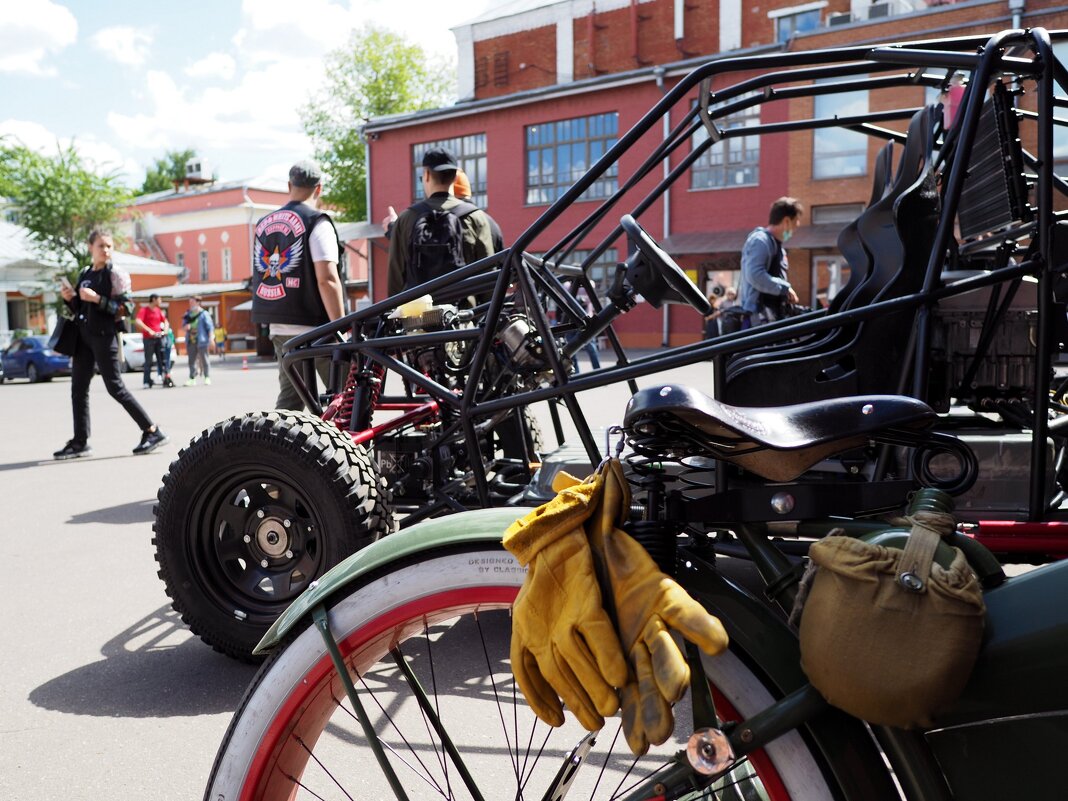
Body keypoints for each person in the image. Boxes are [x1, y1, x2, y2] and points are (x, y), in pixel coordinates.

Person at [53, 228, 168, 459]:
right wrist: (71, 299)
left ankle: (152, 431)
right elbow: (80, 309)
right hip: (83, 338)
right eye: (101, 246)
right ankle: (80, 442)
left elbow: (126, 309)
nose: (105, 250)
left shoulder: (116, 274)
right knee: (78, 389)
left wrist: (97, 298)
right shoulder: (85, 273)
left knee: (115, 387)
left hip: (104, 336)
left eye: (109, 246)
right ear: (90, 248)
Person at [251, 160, 347, 410]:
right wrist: (342, 328)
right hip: (317, 327)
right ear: (319, 188)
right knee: (345, 397)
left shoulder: (263, 223)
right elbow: (327, 279)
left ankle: (278, 447)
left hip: (279, 324)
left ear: (289, 185)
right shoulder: (317, 222)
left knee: (291, 398)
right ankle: (347, 448)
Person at [386, 147, 495, 297]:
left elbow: (395, 276)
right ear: (456, 176)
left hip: (417, 317)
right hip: (463, 316)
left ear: (426, 174)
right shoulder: (475, 217)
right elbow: (488, 276)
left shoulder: (406, 219)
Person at [738, 197, 803, 327]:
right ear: (786, 221)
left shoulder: (776, 246)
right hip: (758, 319)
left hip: (771, 317)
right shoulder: (760, 241)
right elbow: (755, 275)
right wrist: (785, 288)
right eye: (795, 225)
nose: (794, 231)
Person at [134, 293, 168, 388]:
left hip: (159, 338)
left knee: (162, 360)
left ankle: (163, 377)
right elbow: (138, 321)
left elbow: (165, 321)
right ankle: (146, 381)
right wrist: (149, 330)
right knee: (148, 361)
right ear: (153, 299)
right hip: (148, 339)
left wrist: (165, 330)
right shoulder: (144, 310)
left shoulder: (158, 310)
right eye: (159, 299)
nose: (160, 301)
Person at [182, 296, 215, 386]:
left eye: (192, 302)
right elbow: (183, 326)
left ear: (198, 302)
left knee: (204, 359)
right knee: (191, 360)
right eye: (190, 302)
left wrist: (211, 339)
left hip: (202, 340)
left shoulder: (204, 314)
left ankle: (207, 377)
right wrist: (186, 327)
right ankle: (192, 378)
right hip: (191, 340)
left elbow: (210, 327)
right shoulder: (188, 314)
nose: (191, 304)